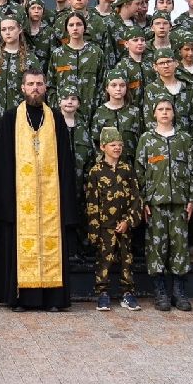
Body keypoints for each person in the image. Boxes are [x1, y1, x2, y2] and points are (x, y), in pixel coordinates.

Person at [0, 69, 78, 312]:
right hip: (21, 199)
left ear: (46, 87)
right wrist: (7, 202)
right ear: (22, 88)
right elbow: (3, 162)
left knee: (53, 244)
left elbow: (65, 162)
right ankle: (20, 298)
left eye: (39, 84)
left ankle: (53, 299)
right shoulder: (11, 118)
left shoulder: (56, 119)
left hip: (51, 198)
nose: (35, 88)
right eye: (30, 84)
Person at [136, 97, 193, 312]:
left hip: (179, 202)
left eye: (168, 109)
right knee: (156, 247)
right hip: (156, 202)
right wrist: (143, 200)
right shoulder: (147, 139)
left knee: (180, 246)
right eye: (160, 109)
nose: (164, 113)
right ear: (154, 114)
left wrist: (192, 198)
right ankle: (160, 291)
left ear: (174, 112)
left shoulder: (184, 139)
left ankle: (179, 291)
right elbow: (139, 171)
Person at [85, 127, 141, 312]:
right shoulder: (96, 171)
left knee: (127, 259)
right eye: (113, 145)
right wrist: (94, 230)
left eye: (120, 145)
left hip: (124, 225)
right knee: (104, 260)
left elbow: (135, 198)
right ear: (103, 147)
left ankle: (128, 293)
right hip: (105, 226)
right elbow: (92, 202)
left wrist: (128, 221)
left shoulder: (127, 170)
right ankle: (102, 294)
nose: (117, 148)